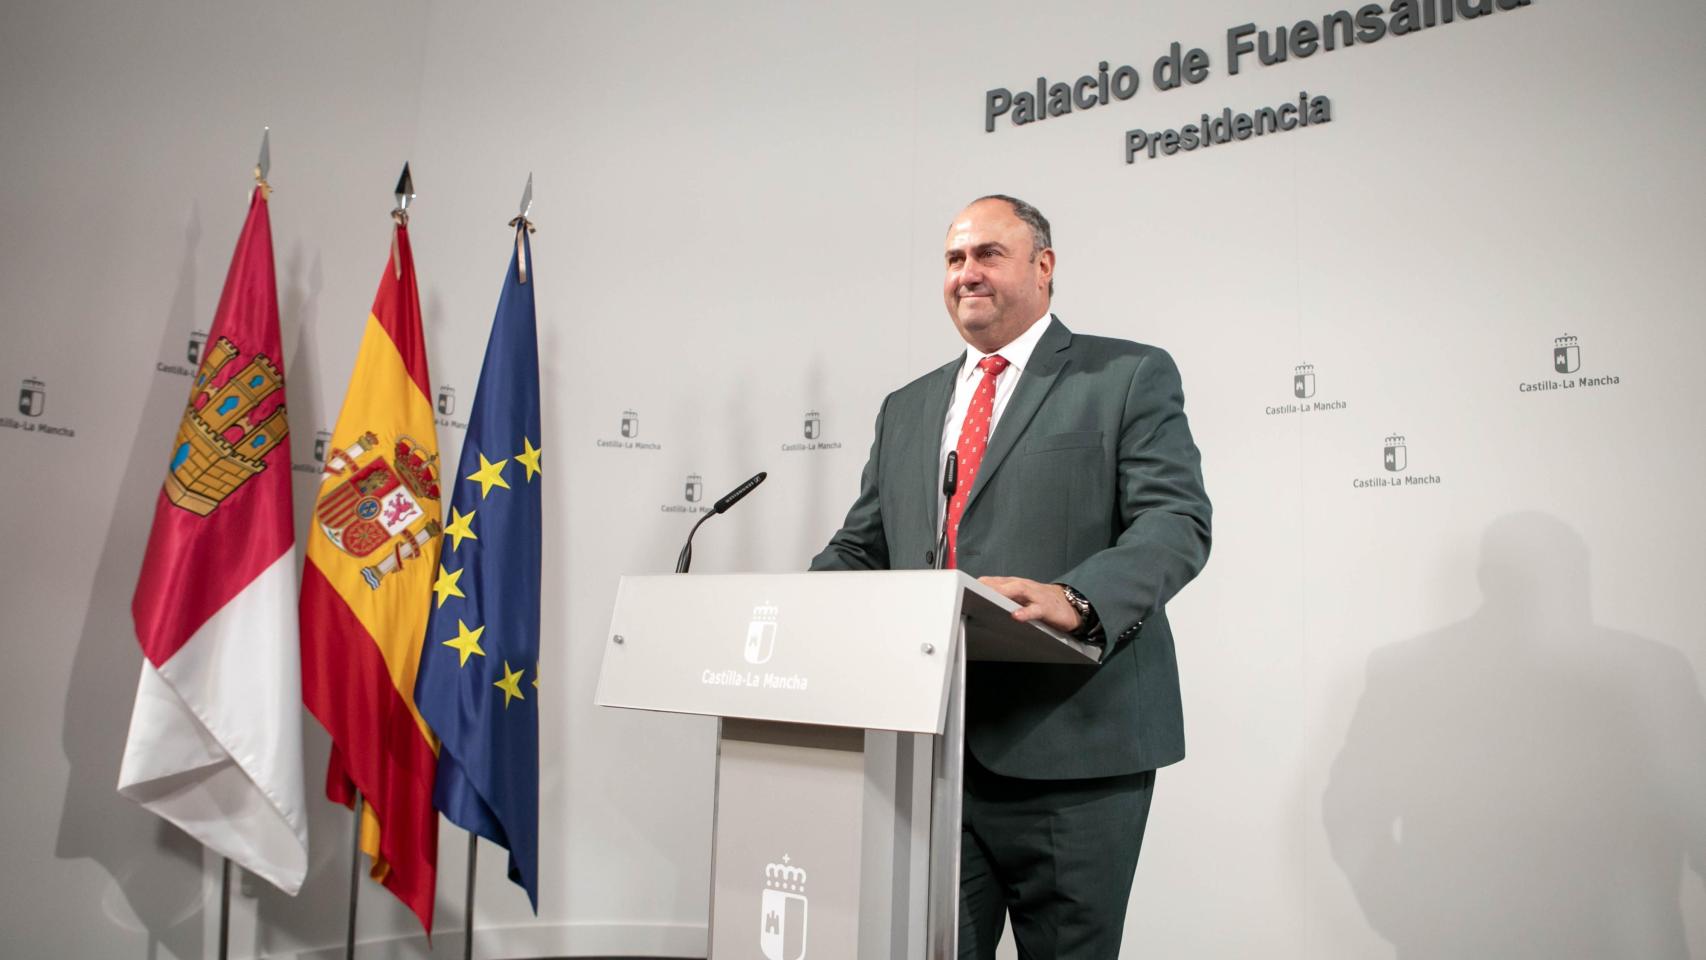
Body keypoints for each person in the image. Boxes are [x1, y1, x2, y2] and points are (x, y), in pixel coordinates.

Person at [810, 195, 1212, 959]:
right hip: (932, 755)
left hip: (1074, 753)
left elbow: (1175, 521)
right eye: (955, 259)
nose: (967, 273)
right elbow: (865, 547)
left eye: (988, 254)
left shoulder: (1125, 375)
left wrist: (1077, 597)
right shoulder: (908, 407)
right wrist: (790, 608)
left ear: (1043, 266)